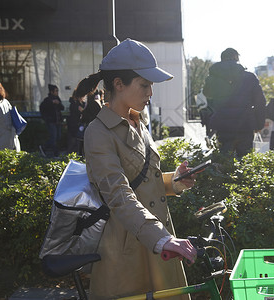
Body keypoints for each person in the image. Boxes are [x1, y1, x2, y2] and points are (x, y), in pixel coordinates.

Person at [76, 38, 197, 299]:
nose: (150, 92)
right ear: (118, 84)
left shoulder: (137, 121)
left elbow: (142, 181)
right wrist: (162, 239)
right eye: (144, 84)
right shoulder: (98, 133)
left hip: (155, 239)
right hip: (125, 248)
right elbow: (118, 194)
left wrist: (174, 181)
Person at [202, 48, 266, 158]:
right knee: (245, 162)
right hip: (245, 125)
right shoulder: (249, 77)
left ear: (222, 60)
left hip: (222, 125)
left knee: (225, 160)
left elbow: (206, 93)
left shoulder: (213, 79)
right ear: (236, 58)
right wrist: (259, 124)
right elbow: (260, 102)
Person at [39, 84, 64, 157]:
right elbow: (42, 108)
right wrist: (51, 103)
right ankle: (55, 153)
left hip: (58, 121)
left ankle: (44, 147)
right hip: (51, 122)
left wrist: (58, 103)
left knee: (58, 137)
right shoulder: (47, 100)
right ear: (52, 92)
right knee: (53, 137)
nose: (57, 92)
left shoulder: (58, 99)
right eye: (56, 91)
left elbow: (62, 108)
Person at [66, 89, 86, 154]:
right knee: (73, 140)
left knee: (77, 140)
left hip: (78, 124)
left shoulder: (81, 103)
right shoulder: (74, 104)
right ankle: (71, 153)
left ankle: (75, 152)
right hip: (74, 124)